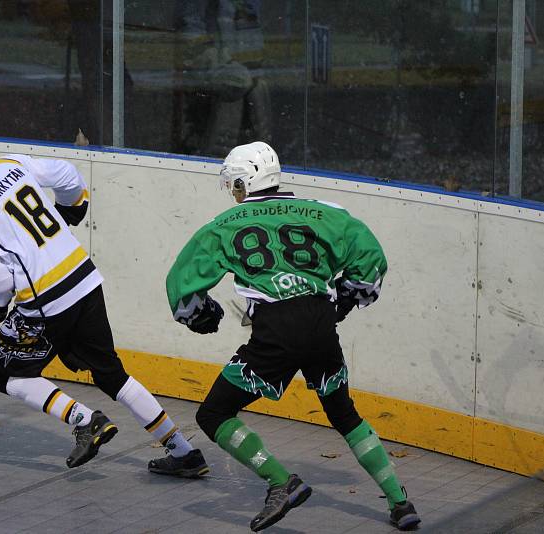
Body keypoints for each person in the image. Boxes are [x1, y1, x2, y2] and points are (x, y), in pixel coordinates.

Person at [0, 124, 208, 476]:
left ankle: (85, 421)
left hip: (46, 300)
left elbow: (0, 282)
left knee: (5, 374)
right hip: (83, 278)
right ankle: (184, 452)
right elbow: (67, 174)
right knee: (111, 374)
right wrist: (73, 206)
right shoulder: (5, 164)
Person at [165, 141, 421, 531]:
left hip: (276, 329)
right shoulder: (325, 213)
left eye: (234, 185)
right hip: (320, 323)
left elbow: (181, 287)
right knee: (343, 413)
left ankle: (282, 483)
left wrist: (203, 317)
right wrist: (344, 303)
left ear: (243, 183)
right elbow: (370, 259)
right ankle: (401, 503)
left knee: (213, 414)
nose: (232, 193)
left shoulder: (222, 226)